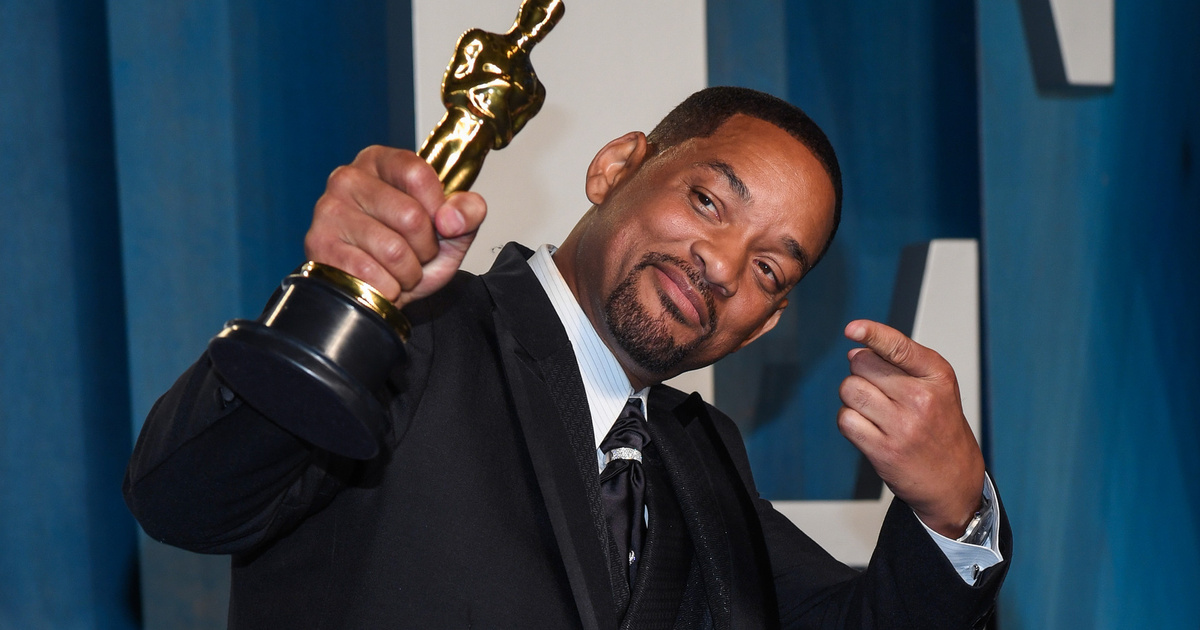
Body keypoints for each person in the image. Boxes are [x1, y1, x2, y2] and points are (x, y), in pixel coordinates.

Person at [125, 87, 1010, 629]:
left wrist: (952, 511)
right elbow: (184, 499)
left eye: (769, 269)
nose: (721, 265)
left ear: (763, 325)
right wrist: (340, 299)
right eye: (708, 201)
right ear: (616, 167)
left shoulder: (704, 456)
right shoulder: (415, 336)